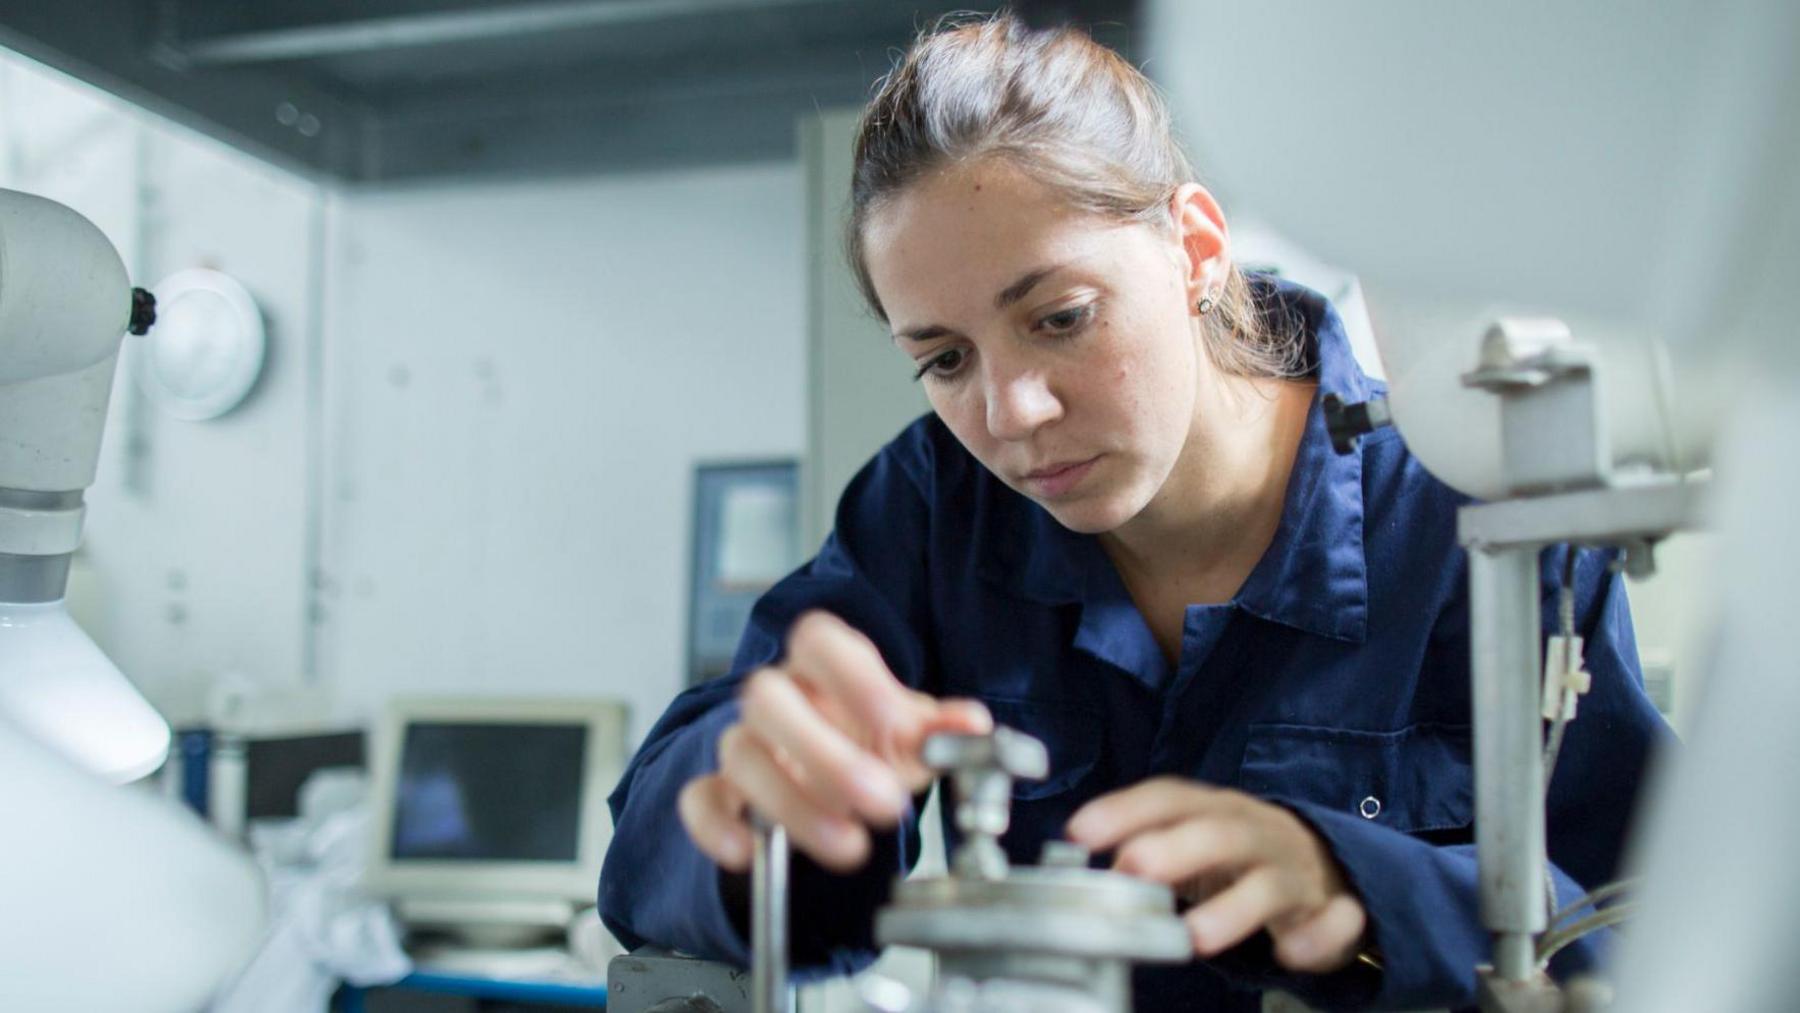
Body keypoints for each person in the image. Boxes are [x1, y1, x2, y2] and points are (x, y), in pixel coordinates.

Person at [600, 13, 1668, 1010]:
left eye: (1060, 317)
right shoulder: (936, 507)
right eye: (943, 358)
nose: (1011, 411)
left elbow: (1659, 925)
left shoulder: (1468, 512)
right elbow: (661, 845)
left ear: (1196, 248)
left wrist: (1365, 892)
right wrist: (757, 801)